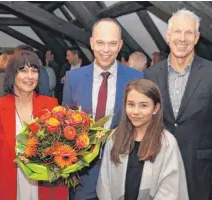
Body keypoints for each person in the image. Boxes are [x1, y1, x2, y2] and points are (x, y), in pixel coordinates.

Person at [144, 9, 212, 200]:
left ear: (196, 38)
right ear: (168, 36)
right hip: (160, 171)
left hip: (201, 174)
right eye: (177, 32)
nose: (182, 39)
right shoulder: (150, 75)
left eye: (189, 33)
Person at [63, 18, 143, 200]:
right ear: (91, 43)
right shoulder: (73, 79)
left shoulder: (136, 78)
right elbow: (65, 127)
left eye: (112, 44)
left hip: (122, 174)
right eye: (100, 43)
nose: (106, 50)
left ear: (120, 45)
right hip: (83, 177)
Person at [0, 50, 68, 200]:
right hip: (8, 187)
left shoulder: (50, 105)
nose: (30, 76)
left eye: (34, 71)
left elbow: (61, 156)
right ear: (12, 74)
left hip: (44, 188)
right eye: (23, 71)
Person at [97, 79, 188, 200]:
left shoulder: (167, 143)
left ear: (155, 108)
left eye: (143, 105)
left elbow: (170, 189)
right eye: (131, 104)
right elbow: (105, 182)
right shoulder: (115, 137)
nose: (135, 111)